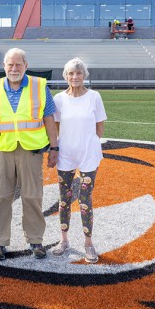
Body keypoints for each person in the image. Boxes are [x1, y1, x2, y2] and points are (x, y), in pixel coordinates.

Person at [0, 48, 58, 260]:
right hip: (5, 151)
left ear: (26, 66)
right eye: (10, 65)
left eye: (19, 64)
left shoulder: (39, 86)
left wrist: (54, 147)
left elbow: (49, 119)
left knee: (32, 196)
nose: (14, 68)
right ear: (4, 67)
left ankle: (35, 240)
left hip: (31, 151)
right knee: (1, 197)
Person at [51, 58, 107, 263]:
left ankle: (88, 244)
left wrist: (91, 142)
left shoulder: (94, 97)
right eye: (71, 74)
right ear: (65, 76)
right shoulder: (59, 99)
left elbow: (99, 125)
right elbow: (55, 127)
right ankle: (64, 240)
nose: (75, 77)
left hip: (88, 155)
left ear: (84, 75)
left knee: (85, 199)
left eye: (79, 73)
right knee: (64, 199)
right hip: (66, 153)